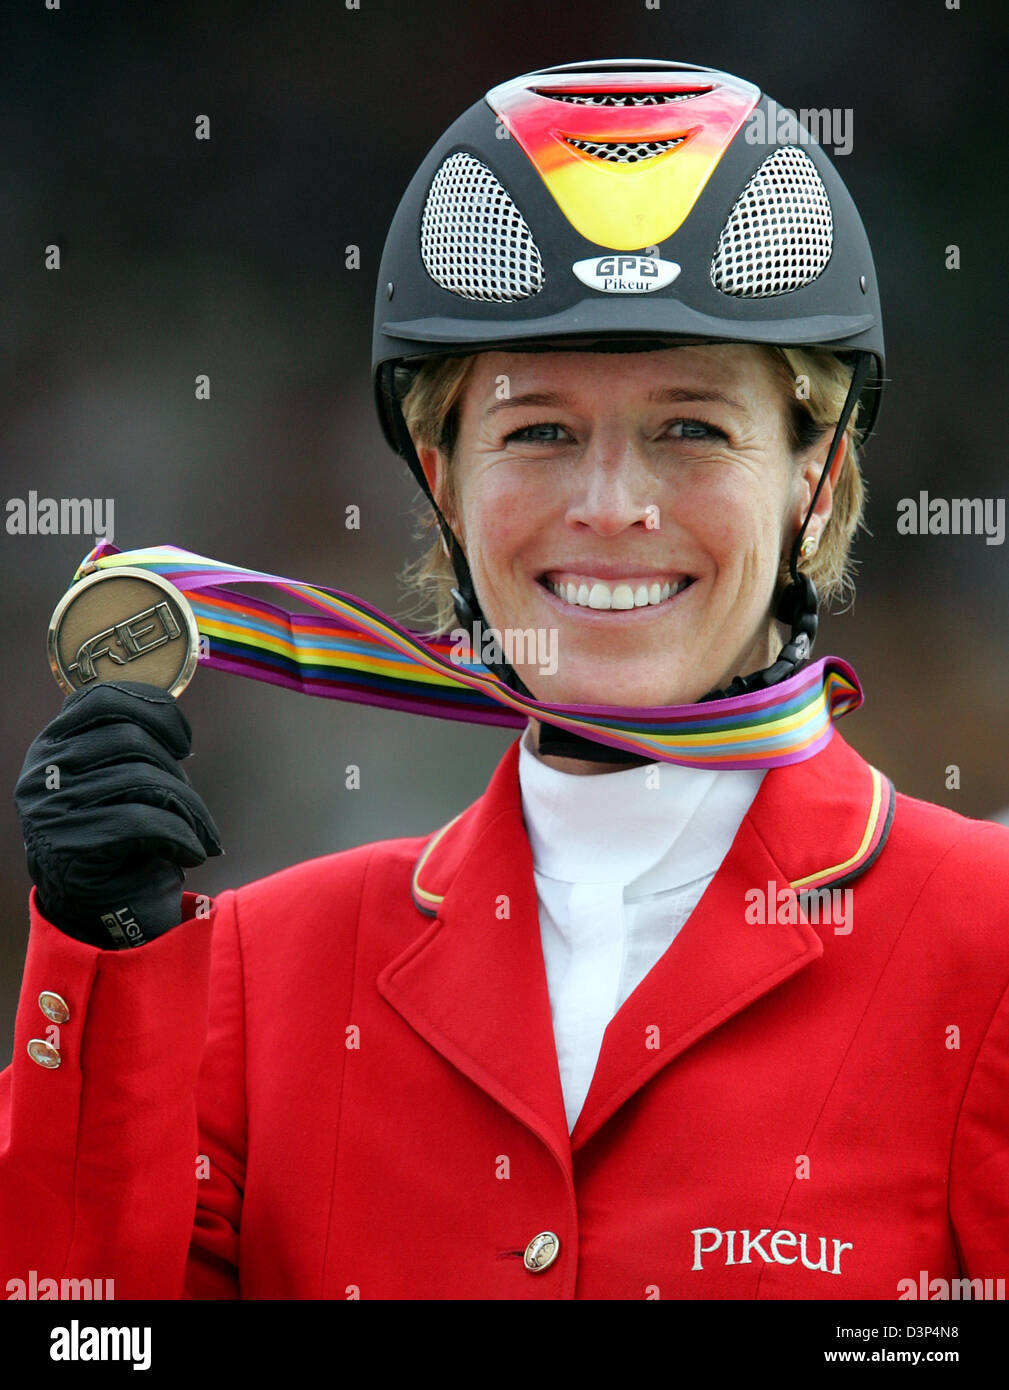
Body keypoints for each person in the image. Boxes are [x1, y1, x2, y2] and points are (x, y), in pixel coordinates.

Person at [2, 57, 1007, 1301]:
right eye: (537, 431)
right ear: (441, 478)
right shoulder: (255, 977)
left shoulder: (987, 942)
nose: (611, 506)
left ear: (816, 479)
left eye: (691, 427)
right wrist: (102, 976)